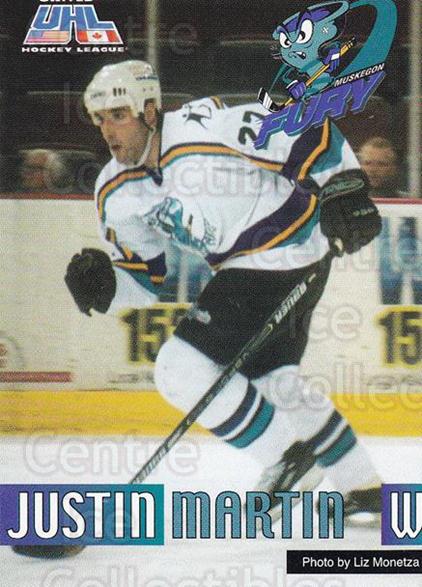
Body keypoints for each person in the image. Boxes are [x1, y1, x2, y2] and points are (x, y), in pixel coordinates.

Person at [65, 60, 382, 525]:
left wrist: (346, 185)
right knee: (275, 379)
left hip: (284, 248)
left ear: (149, 110)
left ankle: (287, 462)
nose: (108, 130)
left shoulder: (203, 128)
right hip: (266, 263)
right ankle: (363, 486)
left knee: (180, 368)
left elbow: (301, 126)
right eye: (100, 119)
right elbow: (144, 280)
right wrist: (106, 288)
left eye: (119, 114)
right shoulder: (115, 192)